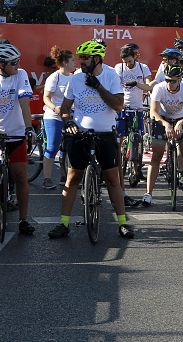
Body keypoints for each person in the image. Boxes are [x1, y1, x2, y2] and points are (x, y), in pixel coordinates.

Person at [48, 40, 134, 239]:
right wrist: (68, 121)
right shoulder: (75, 78)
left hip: (105, 135)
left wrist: (98, 87)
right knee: (72, 179)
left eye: (86, 58)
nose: (82, 62)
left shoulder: (111, 76)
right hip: (80, 135)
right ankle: (64, 223)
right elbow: (65, 108)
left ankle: (122, 223)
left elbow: (119, 105)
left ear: (97, 59)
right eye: (81, 58)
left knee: (113, 179)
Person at [142, 65, 183, 207]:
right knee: (156, 156)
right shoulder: (159, 88)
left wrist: (180, 123)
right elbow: (153, 112)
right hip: (163, 119)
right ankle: (148, 193)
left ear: (180, 80)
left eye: (173, 81)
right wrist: (166, 124)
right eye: (167, 80)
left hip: (182, 119)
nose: (169, 83)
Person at [0, 42, 35, 235]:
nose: (17, 65)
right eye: (13, 62)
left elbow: (24, 101)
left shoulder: (20, 74)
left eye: (18, 61)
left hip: (16, 133)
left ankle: (23, 219)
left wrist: (29, 128)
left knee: (20, 175)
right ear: (1, 65)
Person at [114, 43, 152, 207]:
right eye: (125, 61)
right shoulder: (119, 68)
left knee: (138, 140)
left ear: (135, 57)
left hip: (137, 109)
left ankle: (136, 167)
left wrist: (137, 84)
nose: (128, 64)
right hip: (122, 108)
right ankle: (120, 163)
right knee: (119, 140)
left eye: (129, 61)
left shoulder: (143, 68)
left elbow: (150, 86)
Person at [41, 46, 75, 189]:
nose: (75, 62)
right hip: (53, 116)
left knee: (68, 147)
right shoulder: (55, 77)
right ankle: (47, 179)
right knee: (52, 146)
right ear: (65, 62)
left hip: (68, 116)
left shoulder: (74, 77)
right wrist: (55, 108)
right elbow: (46, 97)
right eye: (72, 60)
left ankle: (63, 175)